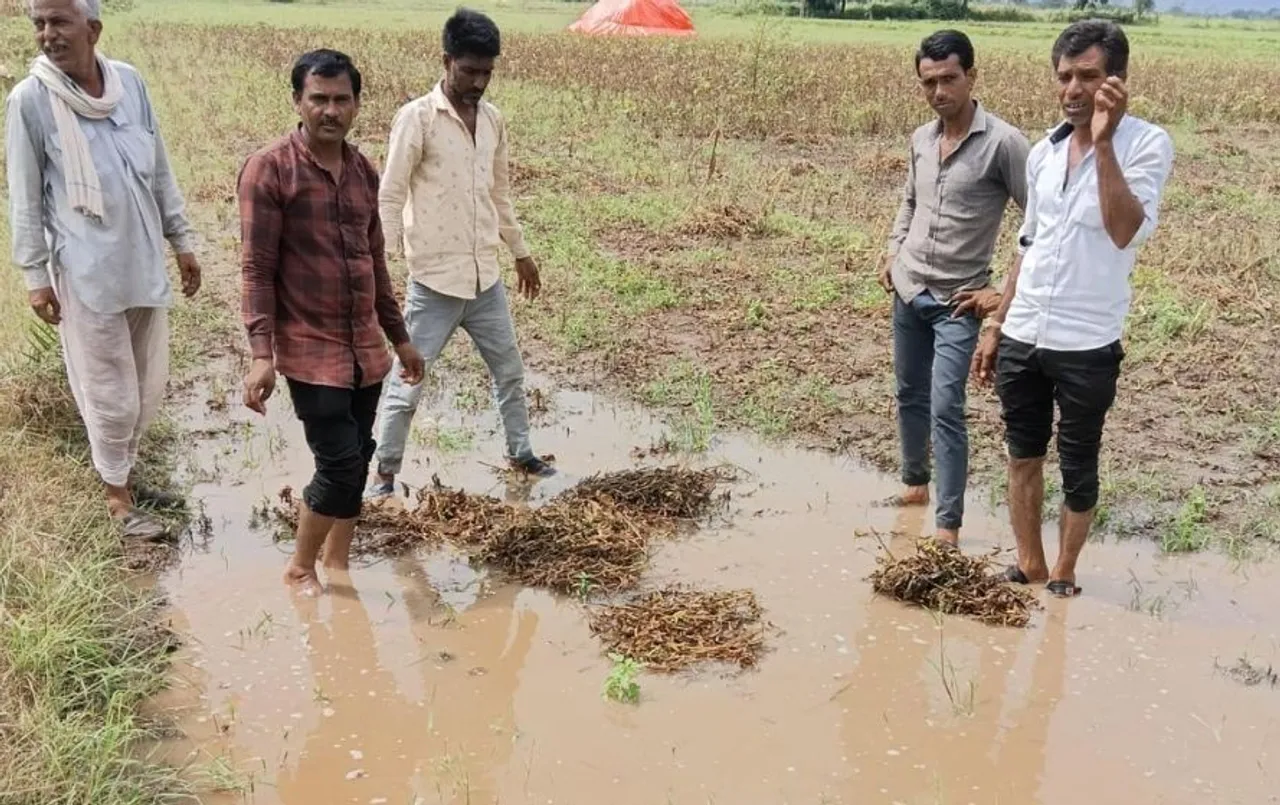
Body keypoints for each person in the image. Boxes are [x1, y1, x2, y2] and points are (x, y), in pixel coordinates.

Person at [972, 19, 1174, 597]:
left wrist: (1105, 143)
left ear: (1119, 80)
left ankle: (1064, 572)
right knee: (1021, 453)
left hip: (1086, 340)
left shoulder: (1147, 144)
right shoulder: (1043, 151)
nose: (1074, 90)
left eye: (1088, 76)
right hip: (1025, 329)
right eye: (1064, 77)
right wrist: (997, 321)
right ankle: (1029, 564)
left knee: (1078, 462)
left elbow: (1124, 231)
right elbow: (1027, 244)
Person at [6, 0, 201, 541]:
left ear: (92, 28)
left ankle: (127, 477)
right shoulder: (31, 100)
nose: (47, 35)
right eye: (39, 24)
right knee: (108, 390)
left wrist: (181, 239)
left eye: (58, 22)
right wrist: (34, 275)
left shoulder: (129, 85)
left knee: (144, 382)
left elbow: (158, 166)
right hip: (85, 270)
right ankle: (117, 502)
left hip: (140, 259)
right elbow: (23, 198)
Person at [238, 49, 426, 595]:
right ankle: (301, 566)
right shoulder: (270, 169)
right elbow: (256, 268)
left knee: (362, 455)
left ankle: (338, 561)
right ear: (298, 101)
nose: (330, 110)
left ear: (357, 104)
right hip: (309, 348)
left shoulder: (363, 170)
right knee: (341, 465)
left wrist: (401, 338)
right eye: (318, 98)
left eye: (341, 99)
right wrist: (260, 354)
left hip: (365, 350)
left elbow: (376, 263)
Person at [368, 7, 553, 499]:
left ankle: (521, 452)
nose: (478, 81)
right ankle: (384, 475)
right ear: (446, 61)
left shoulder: (492, 120)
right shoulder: (417, 118)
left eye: (487, 71)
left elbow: (500, 192)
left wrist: (521, 252)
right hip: (433, 282)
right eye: (469, 70)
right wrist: (381, 268)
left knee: (510, 372)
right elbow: (390, 194)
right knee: (409, 381)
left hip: (484, 279)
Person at [880, 30, 1030, 547]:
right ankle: (914, 485)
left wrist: (1002, 297)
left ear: (972, 76)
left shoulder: (1004, 145)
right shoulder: (921, 139)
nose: (939, 91)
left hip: (958, 301)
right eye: (928, 82)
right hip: (909, 287)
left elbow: (1039, 225)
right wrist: (893, 250)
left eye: (948, 79)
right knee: (908, 392)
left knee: (946, 406)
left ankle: (947, 525)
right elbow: (908, 201)